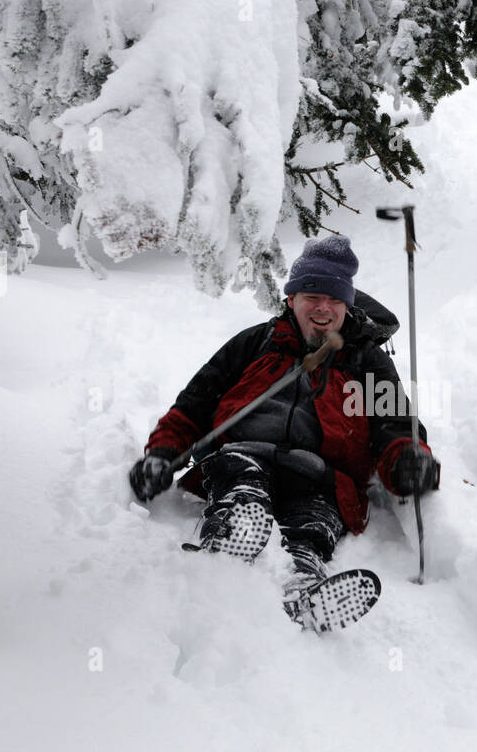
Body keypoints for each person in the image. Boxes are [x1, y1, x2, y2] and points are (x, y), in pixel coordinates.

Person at [129, 235, 440, 608]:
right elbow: (192, 407)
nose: (323, 308)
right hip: (243, 455)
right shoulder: (256, 343)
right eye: (312, 297)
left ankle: (304, 586)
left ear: (347, 304)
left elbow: (396, 422)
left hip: (323, 477)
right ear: (291, 300)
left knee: (312, 527)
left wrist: (407, 457)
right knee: (244, 490)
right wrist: (162, 454)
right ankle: (229, 541)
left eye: (335, 299)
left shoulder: (365, 360)